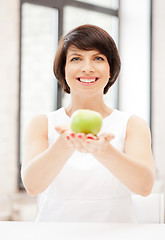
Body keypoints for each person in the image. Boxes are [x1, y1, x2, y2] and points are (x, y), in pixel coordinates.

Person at [21, 24, 155, 222]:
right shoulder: (41, 123)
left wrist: (103, 151)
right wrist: (64, 144)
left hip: (116, 233)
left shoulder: (132, 125)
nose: (87, 68)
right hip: (54, 233)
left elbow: (144, 187)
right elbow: (32, 186)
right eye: (76, 58)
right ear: (63, 70)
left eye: (98, 58)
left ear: (111, 70)